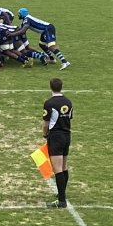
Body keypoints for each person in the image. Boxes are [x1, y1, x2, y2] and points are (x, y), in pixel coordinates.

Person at [43, 77, 74, 209]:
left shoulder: (49, 103)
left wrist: (45, 135)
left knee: (57, 169)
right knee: (64, 165)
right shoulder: (68, 102)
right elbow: (69, 117)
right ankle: (62, 193)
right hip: (67, 135)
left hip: (55, 136)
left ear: (51, 87)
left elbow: (46, 123)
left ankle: (62, 200)